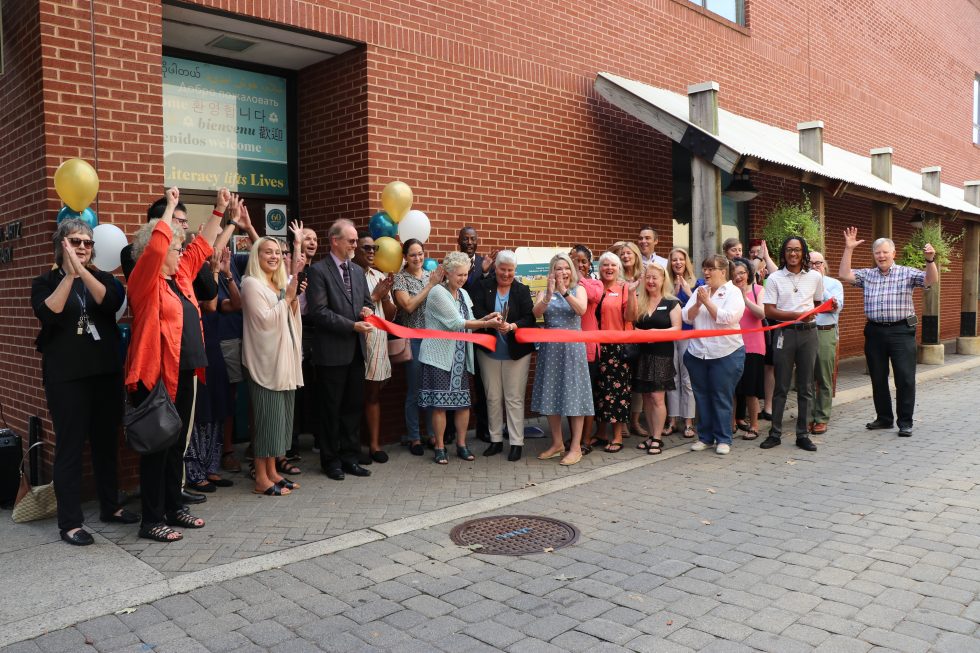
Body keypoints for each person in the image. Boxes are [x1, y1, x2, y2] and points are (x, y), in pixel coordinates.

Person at [126, 186, 223, 542]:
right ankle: (150, 520)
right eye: (174, 246)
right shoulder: (144, 280)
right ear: (159, 250)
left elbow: (201, 248)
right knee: (157, 449)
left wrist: (218, 212)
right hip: (155, 377)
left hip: (184, 373)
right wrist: (168, 206)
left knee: (175, 446)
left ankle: (170, 507)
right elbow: (156, 244)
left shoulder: (179, 277)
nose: (180, 251)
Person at [31, 218, 132, 546]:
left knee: (106, 443)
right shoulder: (45, 282)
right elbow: (50, 312)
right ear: (61, 245)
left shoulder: (103, 278)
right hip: (66, 378)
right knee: (70, 448)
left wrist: (82, 272)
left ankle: (111, 507)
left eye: (87, 243)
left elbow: (111, 302)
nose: (83, 248)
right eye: (75, 242)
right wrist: (70, 274)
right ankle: (70, 522)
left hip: (104, 373)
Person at [839, 227, 937, 437]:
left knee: (905, 377)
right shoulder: (868, 275)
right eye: (877, 253)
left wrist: (930, 261)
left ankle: (905, 422)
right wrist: (848, 249)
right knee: (878, 377)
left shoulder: (907, 272)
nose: (881, 256)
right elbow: (844, 274)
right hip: (874, 331)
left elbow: (930, 280)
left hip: (901, 331)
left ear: (893, 253)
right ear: (874, 256)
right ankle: (884, 418)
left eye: (885, 252)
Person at [304, 219, 375, 481]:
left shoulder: (357, 271)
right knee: (331, 409)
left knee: (352, 408)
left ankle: (350, 457)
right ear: (335, 241)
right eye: (352, 241)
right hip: (331, 353)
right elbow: (319, 312)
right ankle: (330, 461)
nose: (356, 245)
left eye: (356, 240)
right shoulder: (319, 272)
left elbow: (366, 303)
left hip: (355, 351)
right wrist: (352, 326)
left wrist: (367, 311)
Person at [418, 251, 501, 464]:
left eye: (465, 275)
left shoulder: (463, 294)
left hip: (459, 357)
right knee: (440, 405)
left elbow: (470, 319)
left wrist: (487, 318)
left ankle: (462, 445)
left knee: (463, 403)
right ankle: (439, 446)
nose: (463, 279)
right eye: (459, 275)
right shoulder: (437, 292)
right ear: (447, 273)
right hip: (439, 357)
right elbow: (456, 323)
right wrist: (486, 324)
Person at [241, 229, 305, 495]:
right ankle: (261, 478)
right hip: (264, 362)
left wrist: (289, 297)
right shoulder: (251, 283)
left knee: (280, 419)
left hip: (284, 360)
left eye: (278, 252)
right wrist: (289, 296)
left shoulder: (276, 283)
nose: (274, 256)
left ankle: (273, 472)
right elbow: (265, 321)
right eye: (268, 252)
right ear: (256, 256)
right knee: (267, 420)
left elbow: (288, 314)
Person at [760, 236, 824, 452]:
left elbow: (816, 304)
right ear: (783, 253)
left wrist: (806, 317)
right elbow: (769, 311)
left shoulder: (815, 276)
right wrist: (797, 315)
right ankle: (775, 433)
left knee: (806, 386)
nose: (793, 254)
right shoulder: (775, 277)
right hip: (784, 334)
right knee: (781, 386)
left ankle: (802, 434)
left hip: (809, 334)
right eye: (789, 250)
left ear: (804, 252)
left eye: (797, 250)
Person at [472, 251, 536, 461]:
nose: (506, 274)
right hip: (488, 350)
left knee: (514, 398)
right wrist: (490, 320)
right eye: (502, 269)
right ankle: (496, 440)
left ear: (514, 271)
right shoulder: (483, 286)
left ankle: (516, 442)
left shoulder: (522, 290)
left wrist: (512, 326)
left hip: (516, 353)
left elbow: (530, 318)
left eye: (510, 270)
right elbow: (477, 312)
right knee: (492, 397)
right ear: (495, 268)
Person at [531, 253, 594, 466]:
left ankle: (576, 447)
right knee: (551, 395)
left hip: (572, 350)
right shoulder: (543, 291)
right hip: (550, 350)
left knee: (574, 396)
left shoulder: (579, 289)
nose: (563, 272)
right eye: (558, 268)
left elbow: (581, 310)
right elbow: (536, 312)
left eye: (566, 268)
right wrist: (549, 294)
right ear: (552, 272)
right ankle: (557, 443)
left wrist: (564, 292)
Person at [682, 255, 745, 455]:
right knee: (701, 396)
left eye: (711, 269)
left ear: (723, 271)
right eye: (705, 269)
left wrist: (707, 302)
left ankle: (724, 438)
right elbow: (686, 316)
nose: (706, 273)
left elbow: (727, 318)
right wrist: (698, 303)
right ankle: (705, 437)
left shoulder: (733, 292)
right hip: (698, 353)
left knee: (721, 395)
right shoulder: (701, 291)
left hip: (725, 353)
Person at [392, 239, 445, 454]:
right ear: (405, 257)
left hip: (432, 340)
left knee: (431, 389)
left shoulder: (428, 276)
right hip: (413, 339)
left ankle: (433, 434)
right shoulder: (400, 279)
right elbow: (408, 306)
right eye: (413, 254)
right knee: (415, 390)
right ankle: (414, 437)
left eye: (421, 253)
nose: (418, 258)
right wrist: (431, 286)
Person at [355, 231, 397, 463]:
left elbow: (390, 316)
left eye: (374, 248)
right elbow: (350, 311)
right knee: (353, 398)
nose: (371, 252)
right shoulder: (350, 275)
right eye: (366, 248)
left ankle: (374, 445)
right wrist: (375, 296)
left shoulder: (378, 275)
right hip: (356, 345)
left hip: (378, 345)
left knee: (373, 395)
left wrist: (386, 296)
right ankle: (354, 446)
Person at [632, 263, 680, 456]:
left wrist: (655, 333)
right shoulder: (639, 300)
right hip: (642, 355)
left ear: (663, 280)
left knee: (657, 397)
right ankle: (651, 435)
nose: (651, 281)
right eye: (648, 278)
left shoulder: (672, 302)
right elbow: (630, 326)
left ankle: (658, 438)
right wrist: (640, 334)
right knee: (646, 398)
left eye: (655, 278)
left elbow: (677, 329)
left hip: (662, 355)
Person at [591, 252, 637, 453]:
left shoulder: (624, 288)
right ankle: (600, 433)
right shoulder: (594, 287)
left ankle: (617, 435)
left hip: (617, 347)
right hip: (595, 346)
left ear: (619, 269)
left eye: (613, 265)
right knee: (599, 391)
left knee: (616, 393)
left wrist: (633, 293)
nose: (608, 268)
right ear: (599, 268)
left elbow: (631, 316)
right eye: (604, 265)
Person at [457, 226, 496, 443]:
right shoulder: (452, 262)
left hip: (480, 329)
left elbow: (488, 290)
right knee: (456, 379)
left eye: (473, 239)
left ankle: (483, 428)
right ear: (459, 241)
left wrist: (487, 272)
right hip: (459, 330)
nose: (470, 242)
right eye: (466, 239)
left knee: (482, 382)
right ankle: (453, 431)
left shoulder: (485, 263)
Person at [806, 250, 844, 436]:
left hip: (825, 332)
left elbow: (836, 307)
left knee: (824, 377)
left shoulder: (834, 284)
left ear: (824, 265)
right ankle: (807, 417)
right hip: (805, 331)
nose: (814, 267)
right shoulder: (801, 283)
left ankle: (821, 418)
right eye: (811, 263)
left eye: (818, 263)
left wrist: (820, 283)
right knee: (806, 378)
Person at [731, 257, 766, 440]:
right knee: (733, 389)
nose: (739, 277)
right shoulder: (728, 292)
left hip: (753, 346)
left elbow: (761, 313)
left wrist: (745, 299)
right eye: (735, 274)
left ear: (748, 274)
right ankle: (732, 423)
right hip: (732, 345)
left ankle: (754, 425)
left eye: (742, 273)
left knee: (751, 390)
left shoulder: (757, 290)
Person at [573, 245, 604, 446]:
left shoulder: (594, 283)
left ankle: (585, 439)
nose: (581, 265)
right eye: (577, 260)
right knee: (572, 395)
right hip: (569, 348)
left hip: (589, 348)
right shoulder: (564, 284)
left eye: (585, 261)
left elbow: (594, 297)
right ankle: (575, 436)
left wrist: (578, 278)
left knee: (588, 395)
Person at [666, 247, 698, 439]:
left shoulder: (697, 283)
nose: (678, 262)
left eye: (681, 259)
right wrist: (674, 293)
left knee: (687, 380)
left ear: (686, 262)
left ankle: (688, 421)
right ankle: (672, 420)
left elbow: (698, 309)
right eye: (674, 260)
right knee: (672, 379)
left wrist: (688, 291)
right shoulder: (666, 283)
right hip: (670, 336)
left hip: (688, 335)